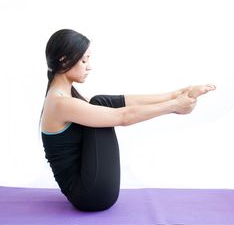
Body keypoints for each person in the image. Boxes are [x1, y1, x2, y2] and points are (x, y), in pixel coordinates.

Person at [39, 28, 216, 212]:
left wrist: (174, 95)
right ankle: (175, 102)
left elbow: (119, 109)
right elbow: (123, 117)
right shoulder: (60, 103)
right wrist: (173, 107)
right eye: (84, 60)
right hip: (91, 196)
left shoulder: (62, 95)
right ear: (64, 60)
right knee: (100, 104)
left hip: (90, 191)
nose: (89, 66)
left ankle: (174, 96)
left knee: (100, 101)